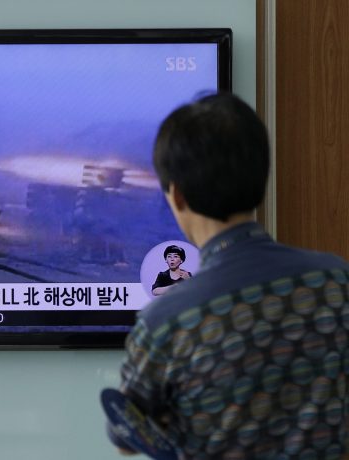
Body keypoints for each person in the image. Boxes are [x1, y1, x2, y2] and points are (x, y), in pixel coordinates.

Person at [107, 93, 349, 458]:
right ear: (260, 177)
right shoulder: (337, 281)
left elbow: (125, 434)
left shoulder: (168, 321)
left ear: (178, 196)